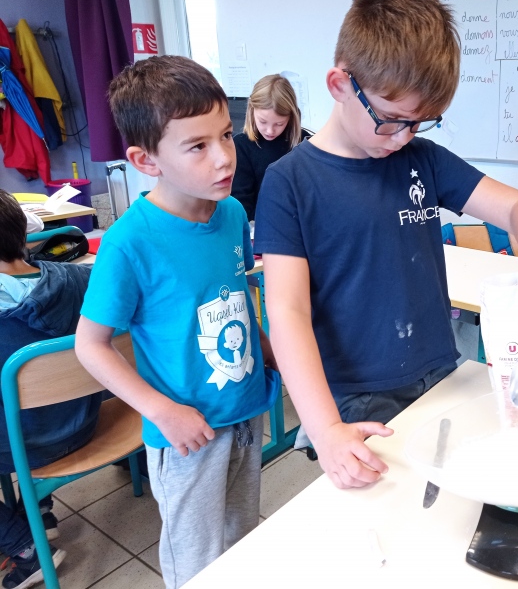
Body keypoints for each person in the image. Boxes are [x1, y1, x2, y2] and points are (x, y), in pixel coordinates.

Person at [254, 0, 518, 490]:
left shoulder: (422, 160)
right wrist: (325, 428)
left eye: (419, 123)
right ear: (340, 85)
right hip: (357, 396)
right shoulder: (290, 182)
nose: (403, 136)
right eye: (390, 119)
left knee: (451, 497)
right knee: (381, 511)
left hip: (439, 371)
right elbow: (287, 312)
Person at [74, 56, 280, 588]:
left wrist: (272, 353)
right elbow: (90, 345)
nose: (224, 158)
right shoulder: (129, 242)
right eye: (197, 146)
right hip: (186, 433)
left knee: (242, 540)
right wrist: (162, 412)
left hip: (244, 409)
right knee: (196, 562)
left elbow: (234, 298)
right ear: (146, 160)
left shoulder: (231, 213)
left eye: (227, 135)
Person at [0, 190, 98, 588]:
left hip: (29, 445)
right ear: (24, 233)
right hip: (91, 420)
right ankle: (37, 510)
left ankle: (24, 546)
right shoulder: (83, 278)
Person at [231, 74, 312, 221]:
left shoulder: (305, 143)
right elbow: (242, 203)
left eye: (279, 124)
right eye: (263, 121)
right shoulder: (241, 146)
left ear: (291, 116)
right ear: (251, 110)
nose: (270, 131)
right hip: (260, 226)